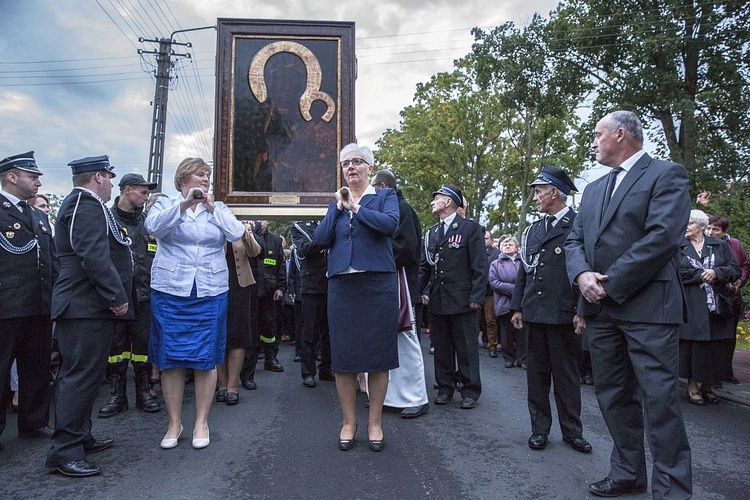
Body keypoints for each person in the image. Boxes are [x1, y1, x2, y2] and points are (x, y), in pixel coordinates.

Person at [565, 110, 692, 498]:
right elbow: (574, 242)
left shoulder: (666, 174)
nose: (593, 141)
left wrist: (610, 283)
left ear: (620, 134)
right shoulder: (592, 190)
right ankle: (627, 473)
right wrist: (582, 276)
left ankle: (671, 490)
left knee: (660, 402)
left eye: (597, 134)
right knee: (613, 396)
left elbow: (663, 237)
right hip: (601, 313)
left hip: (648, 308)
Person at [145, 157, 245, 450]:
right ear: (183, 179)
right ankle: (174, 423)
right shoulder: (166, 205)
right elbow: (154, 228)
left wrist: (212, 208)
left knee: (205, 357)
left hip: (210, 291)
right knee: (170, 358)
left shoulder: (219, 208)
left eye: (208, 175)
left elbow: (237, 233)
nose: (206, 179)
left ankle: (202, 421)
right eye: (200, 174)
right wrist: (184, 205)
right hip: (171, 291)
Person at [46, 155, 132, 477]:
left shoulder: (86, 204)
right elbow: (93, 255)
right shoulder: (85, 203)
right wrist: (116, 297)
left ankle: (80, 436)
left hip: (87, 305)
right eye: (109, 177)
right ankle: (64, 452)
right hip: (83, 305)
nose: (112, 183)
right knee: (79, 377)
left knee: (88, 376)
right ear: (98, 177)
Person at [312, 143, 399, 452]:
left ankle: (374, 422)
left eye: (357, 162)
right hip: (342, 288)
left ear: (369, 168)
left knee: (378, 356)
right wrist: (337, 208)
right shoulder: (336, 203)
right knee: (344, 358)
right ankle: (349, 422)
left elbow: (389, 226)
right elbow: (319, 240)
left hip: (377, 284)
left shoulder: (384, 197)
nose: (350, 167)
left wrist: (357, 209)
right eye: (346, 163)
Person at [510, 166, 591, 454]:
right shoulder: (534, 229)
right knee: (537, 376)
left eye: (538, 191)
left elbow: (586, 271)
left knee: (567, 377)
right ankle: (539, 430)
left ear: (554, 192)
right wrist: (517, 306)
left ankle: (572, 432)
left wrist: (582, 310)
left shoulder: (579, 224)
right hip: (535, 312)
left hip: (564, 314)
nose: (535, 197)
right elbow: (525, 270)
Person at [0, 152, 57, 452]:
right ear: (11, 176)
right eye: (31, 176)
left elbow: (50, 259)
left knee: (36, 367)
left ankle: (33, 422)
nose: (38, 181)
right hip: (6, 306)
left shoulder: (37, 215)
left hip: (39, 304)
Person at [98, 173, 161, 418]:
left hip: (145, 295)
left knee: (143, 346)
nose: (146, 197)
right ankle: (117, 394)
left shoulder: (148, 223)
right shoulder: (106, 219)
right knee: (116, 348)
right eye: (142, 192)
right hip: (116, 297)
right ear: (126, 190)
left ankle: (144, 390)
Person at [419, 184, 487, 410]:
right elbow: (426, 267)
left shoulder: (470, 228)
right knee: (442, 346)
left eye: (436, 198)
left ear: (448, 201)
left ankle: (470, 390)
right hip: (438, 299)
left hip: (463, 299)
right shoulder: (432, 233)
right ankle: (445, 386)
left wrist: (477, 295)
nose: (432, 202)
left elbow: (479, 266)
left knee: (466, 346)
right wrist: (421, 291)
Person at [371, 169, 429, 419]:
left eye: (375, 188)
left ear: (384, 186)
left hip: (401, 280)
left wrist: (375, 256)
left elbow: (407, 247)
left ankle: (417, 396)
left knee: (407, 338)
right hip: (390, 280)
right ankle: (393, 396)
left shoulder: (403, 210)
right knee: (389, 339)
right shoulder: (392, 210)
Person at [679, 210, 740, 405]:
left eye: (689, 224)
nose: (686, 227)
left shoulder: (720, 246)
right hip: (691, 303)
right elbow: (676, 273)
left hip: (717, 304)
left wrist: (716, 272)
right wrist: (699, 275)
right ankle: (691, 385)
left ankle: (708, 386)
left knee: (715, 346)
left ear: (700, 226)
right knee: (693, 346)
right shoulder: (678, 247)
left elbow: (735, 269)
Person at [216, 220, 262, 405]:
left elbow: (255, 251)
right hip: (215, 287)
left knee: (238, 336)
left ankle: (233, 386)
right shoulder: (213, 226)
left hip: (240, 287)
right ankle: (222, 385)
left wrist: (244, 232)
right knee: (219, 336)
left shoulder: (240, 229)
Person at [706, 215, 750, 385]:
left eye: (715, 229)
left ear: (724, 231)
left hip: (732, 298)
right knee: (712, 336)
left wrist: (740, 281)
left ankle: (726, 371)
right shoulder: (703, 244)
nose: (711, 232)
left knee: (729, 335)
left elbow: (745, 265)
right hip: (713, 295)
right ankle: (712, 376)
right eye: (708, 228)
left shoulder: (735, 244)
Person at [291, 220, 334, 387]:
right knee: (309, 332)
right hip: (311, 286)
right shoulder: (299, 226)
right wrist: (325, 240)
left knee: (329, 332)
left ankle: (326, 369)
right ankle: (308, 372)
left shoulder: (328, 221)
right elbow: (305, 249)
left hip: (331, 283)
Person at [489, 236, 526, 369]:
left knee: (522, 332)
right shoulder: (495, 264)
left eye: (511, 244)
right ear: (500, 248)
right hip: (504, 302)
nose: (508, 246)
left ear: (517, 248)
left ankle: (522, 358)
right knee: (507, 332)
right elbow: (494, 283)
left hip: (522, 303)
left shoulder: (524, 262)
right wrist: (515, 289)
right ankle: (509, 358)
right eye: (505, 244)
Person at [254, 220, 286, 372]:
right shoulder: (246, 236)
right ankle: (249, 364)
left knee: (269, 326)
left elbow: (280, 265)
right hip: (250, 291)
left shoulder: (275, 240)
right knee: (251, 327)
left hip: (269, 292)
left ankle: (271, 358)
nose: (258, 223)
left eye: (261, 220)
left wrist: (280, 287)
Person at [478, 231, 500, 357]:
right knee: (475, 320)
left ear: (491, 240)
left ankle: (492, 345)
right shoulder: (475, 251)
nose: (484, 240)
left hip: (490, 291)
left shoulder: (497, 254)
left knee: (490, 319)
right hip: (476, 291)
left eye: (486, 238)